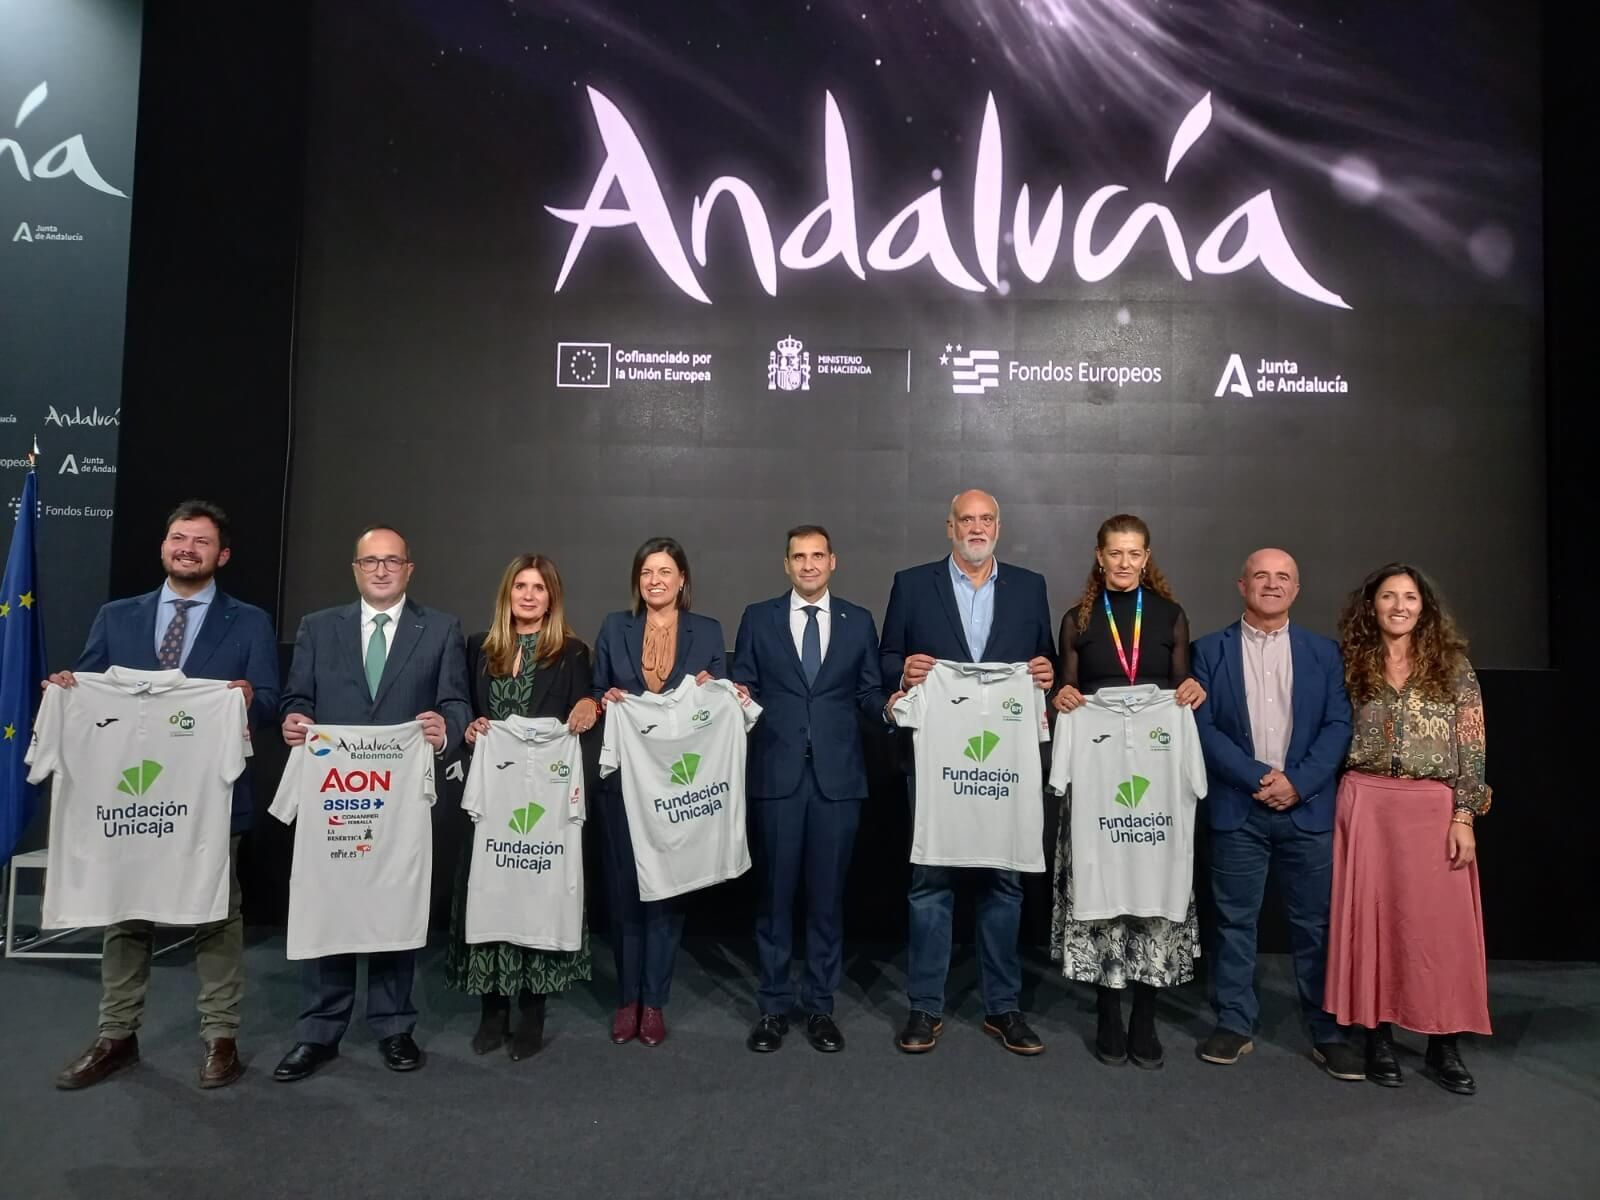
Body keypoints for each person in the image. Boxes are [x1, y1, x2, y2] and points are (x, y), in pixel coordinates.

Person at [46, 500, 279, 1092]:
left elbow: (274, 704)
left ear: (220, 555)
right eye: (179, 538)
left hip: (208, 798)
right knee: (125, 915)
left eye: (201, 542)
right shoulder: (118, 616)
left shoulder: (248, 621)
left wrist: (248, 697)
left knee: (216, 915)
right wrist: (69, 688)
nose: (188, 549)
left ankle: (220, 1036)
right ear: (163, 546)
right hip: (129, 799)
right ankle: (115, 1036)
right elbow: (91, 685)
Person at [273, 525, 469, 1082]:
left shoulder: (441, 629)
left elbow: (457, 699)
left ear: (409, 569)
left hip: (399, 799)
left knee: (391, 902)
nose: (381, 570)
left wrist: (446, 726)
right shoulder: (317, 627)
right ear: (355, 569)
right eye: (370, 562)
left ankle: (393, 1025)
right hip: (334, 793)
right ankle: (318, 1030)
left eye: (392, 561)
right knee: (329, 901)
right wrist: (293, 719)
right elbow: (297, 697)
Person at [879, 489, 1054, 1056]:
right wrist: (902, 670)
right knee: (931, 880)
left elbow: (1044, 660)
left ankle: (1004, 1008)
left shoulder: (1030, 587)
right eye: (966, 520)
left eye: (986, 520)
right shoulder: (912, 583)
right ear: (948, 526)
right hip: (936, 756)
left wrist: (1046, 671)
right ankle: (925, 1007)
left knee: (1005, 878)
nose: (976, 528)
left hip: (1004, 758)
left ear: (999, 526)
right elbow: (884, 660)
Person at [1190, 549, 1362, 1080]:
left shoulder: (1324, 654)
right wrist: (1256, 779)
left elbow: (1338, 726)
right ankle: (1235, 1023)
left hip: (1306, 810)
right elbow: (1203, 728)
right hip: (1237, 809)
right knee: (1235, 924)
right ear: (1242, 584)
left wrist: (1299, 783)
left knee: (1315, 926)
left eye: (1282, 576)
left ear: (1297, 589)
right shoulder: (1207, 651)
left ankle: (1327, 1031)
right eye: (1261, 576)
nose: (1271, 584)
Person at [1325, 563, 1492, 1094]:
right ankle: (1376, 1036)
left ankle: (1444, 1045)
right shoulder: (1350, 662)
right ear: (1370, 605)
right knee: (1374, 924)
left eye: (1410, 597)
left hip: (1432, 808)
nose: (1399, 605)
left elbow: (1473, 745)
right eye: (1389, 596)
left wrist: (1464, 815)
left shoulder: (1453, 666)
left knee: (1437, 932)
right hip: (1367, 804)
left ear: (1425, 607)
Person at [1051, 513, 1205, 1069]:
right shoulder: (1078, 620)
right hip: (1098, 771)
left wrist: (1188, 691)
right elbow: (1065, 691)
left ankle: (1146, 1014)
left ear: (1147, 557)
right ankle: (1107, 1011)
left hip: (1155, 775)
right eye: (1114, 552)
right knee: (1102, 896)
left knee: (1153, 894)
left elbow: (1180, 686)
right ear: (1099, 556)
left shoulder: (1170, 616)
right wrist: (1064, 699)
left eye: (1134, 553)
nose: (1123, 562)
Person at [733, 525, 886, 1054]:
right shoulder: (758, 618)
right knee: (774, 898)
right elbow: (743, 684)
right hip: (777, 778)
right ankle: (774, 1008)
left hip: (838, 781)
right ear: (787, 565)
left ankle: (821, 1007)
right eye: (798, 556)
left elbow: (869, 691)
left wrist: (891, 707)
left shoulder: (859, 621)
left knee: (827, 899)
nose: (808, 565)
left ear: (833, 561)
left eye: (817, 555)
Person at [447, 554, 599, 1061]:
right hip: (494, 794)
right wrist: (468, 729)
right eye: (520, 587)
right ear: (506, 594)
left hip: (545, 799)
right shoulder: (479, 648)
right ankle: (492, 1011)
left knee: (538, 892)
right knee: (489, 891)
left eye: (538, 588)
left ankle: (533, 1011)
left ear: (551, 597)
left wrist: (587, 706)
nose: (529, 596)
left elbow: (586, 708)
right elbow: (463, 709)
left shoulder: (572, 653)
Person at [591, 536, 731, 1047]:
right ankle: (627, 1000)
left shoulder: (708, 631)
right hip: (624, 781)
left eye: (665, 572)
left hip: (680, 786)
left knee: (667, 892)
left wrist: (720, 689)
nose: (656, 580)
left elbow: (720, 701)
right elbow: (594, 690)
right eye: (647, 572)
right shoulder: (614, 627)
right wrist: (602, 698)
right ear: (638, 581)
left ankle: (655, 1002)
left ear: (682, 580)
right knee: (626, 893)